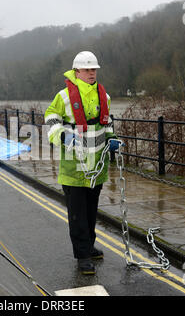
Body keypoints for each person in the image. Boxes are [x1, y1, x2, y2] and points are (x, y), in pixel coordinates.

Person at [44, 51, 120, 275]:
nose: (91, 73)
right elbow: (51, 117)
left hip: (97, 166)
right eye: (87, 70)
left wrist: (112, 138)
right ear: (76, 71)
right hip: (74, 167)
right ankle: (83, 257)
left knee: (90, 211)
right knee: (77, 214)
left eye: (94, 69)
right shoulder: (64, 96)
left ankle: (89, 245)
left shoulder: (103, 96)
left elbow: (107, 122)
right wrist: (62, 136)